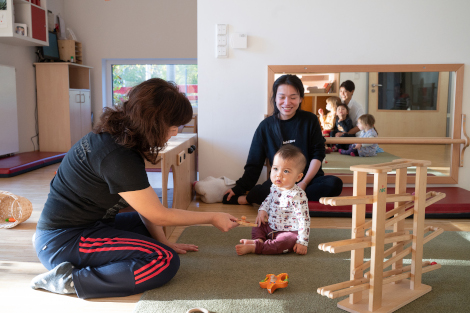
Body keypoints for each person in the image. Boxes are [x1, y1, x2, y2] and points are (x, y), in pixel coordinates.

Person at [30, 78, 239, 299]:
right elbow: (159, 215)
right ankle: (71, 280)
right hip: (65, 240)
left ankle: (90, 266)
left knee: (152, 235)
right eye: (174, 126)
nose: (176, 132)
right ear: (155, 122)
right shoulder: (117, 155)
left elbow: (146, 208)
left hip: (89, 227)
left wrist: (163, 241)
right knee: (163, 260)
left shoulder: (118, 140)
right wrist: (212, 217)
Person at [223, 74, 343, 209]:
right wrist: (239, 188)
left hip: (308, 180)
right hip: (279, 183)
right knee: (267, 189)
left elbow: (318, 154)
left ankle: (280, 199)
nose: (287, 102)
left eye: (293, 97)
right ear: (275, 99)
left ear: (300, 99)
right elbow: (254, 164)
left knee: (334, 184)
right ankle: (254, 198)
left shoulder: (310, 120)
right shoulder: (266, 126)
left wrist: (303, 183)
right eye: (282, 97)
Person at [235, 145, 310, 256]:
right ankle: (259, 240)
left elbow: (304, 220)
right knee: (258, 224)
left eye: (286, 171)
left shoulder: (297, 196)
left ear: (298, 177)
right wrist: (262, 210)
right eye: (275, 169)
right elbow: (269, 199)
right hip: (271, 226)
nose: (278, 174)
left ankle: (256, 247)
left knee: (286, 241)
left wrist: (302, 242)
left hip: (288, 232)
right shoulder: (274, 187)